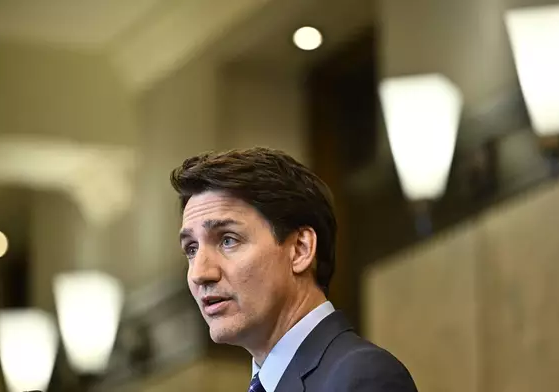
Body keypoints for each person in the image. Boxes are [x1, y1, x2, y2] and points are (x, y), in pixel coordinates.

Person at [170, 147, 417, 392]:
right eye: (191, 249)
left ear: (300, 249)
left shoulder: (363, 376)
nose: (199, 273)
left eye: (228, 240)